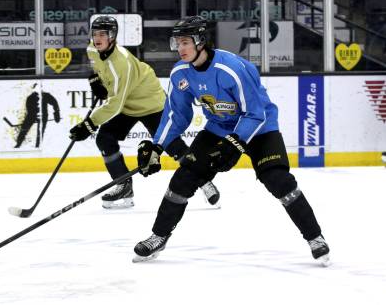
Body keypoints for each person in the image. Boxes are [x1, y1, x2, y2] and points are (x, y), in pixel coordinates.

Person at [133, 15, 330, 266]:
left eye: (185, 42)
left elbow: (255, 113)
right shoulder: (180, 74)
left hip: (260, 128)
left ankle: (315, 237)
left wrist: (235, 144)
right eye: (176, 43)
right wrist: (156, 146)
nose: (179, 49)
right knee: (183, 179)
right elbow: (177, 115)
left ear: (201, 41)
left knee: (279, 180)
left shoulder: (232, 68)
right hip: (218, 128)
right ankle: (158, 236)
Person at [69, 15, 220, 209]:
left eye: (103, 34)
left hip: (152, 104)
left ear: (112, 36)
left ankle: (203, 181)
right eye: (95, 33)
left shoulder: (121, 62)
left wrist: (89, 124)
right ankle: (123, 185)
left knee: (172, 144)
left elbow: (114, 104)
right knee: (104, 139)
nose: (97, 38)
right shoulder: (92, 49)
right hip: (128, 105)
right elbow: (99, 69)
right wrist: (96, 80)